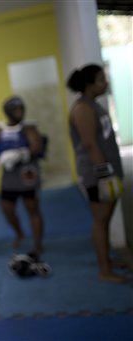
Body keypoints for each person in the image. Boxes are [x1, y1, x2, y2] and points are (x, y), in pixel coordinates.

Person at [66, 63, 126, 283]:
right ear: (90, 85)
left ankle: (108, 261)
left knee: (106, 218)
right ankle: (104, 270)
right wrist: (105, 176)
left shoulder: (93, 105)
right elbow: (90, 144)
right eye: (101, 79)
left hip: (106, 171)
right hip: (97, 175)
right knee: (100, 220)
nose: (106, 83)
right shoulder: (82, 109)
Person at [0, 96, 45, 257]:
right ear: (8, 112)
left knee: (32, 207)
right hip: (9, 176)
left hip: (26, 173)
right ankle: (19, 233)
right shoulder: (1, 130)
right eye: (16, 110)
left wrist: (21, 154)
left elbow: (36, 147)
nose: (20, 112)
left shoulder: (28, 128)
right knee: (7, 208)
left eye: (21, 109)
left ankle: (37, 244)